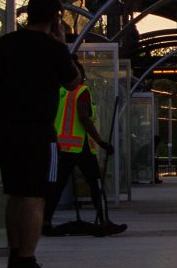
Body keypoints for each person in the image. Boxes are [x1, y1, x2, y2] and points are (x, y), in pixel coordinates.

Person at [0, 0, 79, 268]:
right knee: (35, 197)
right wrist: (62, 45)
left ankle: (14, 256)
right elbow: (74, 82)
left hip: (7, 129)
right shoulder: (54, 48)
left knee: (15, 195)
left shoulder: (4, 44)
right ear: (56, 17)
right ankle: (27, 260)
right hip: (38, 131)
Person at [43, 59, 127, 237]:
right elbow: (84, 118)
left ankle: (46, 222)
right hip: (80, 147)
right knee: (96, 184)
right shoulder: (82, 91)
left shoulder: (60, 93)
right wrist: (101, 141)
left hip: (61, 146)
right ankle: (104, 221)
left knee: (56, 187)